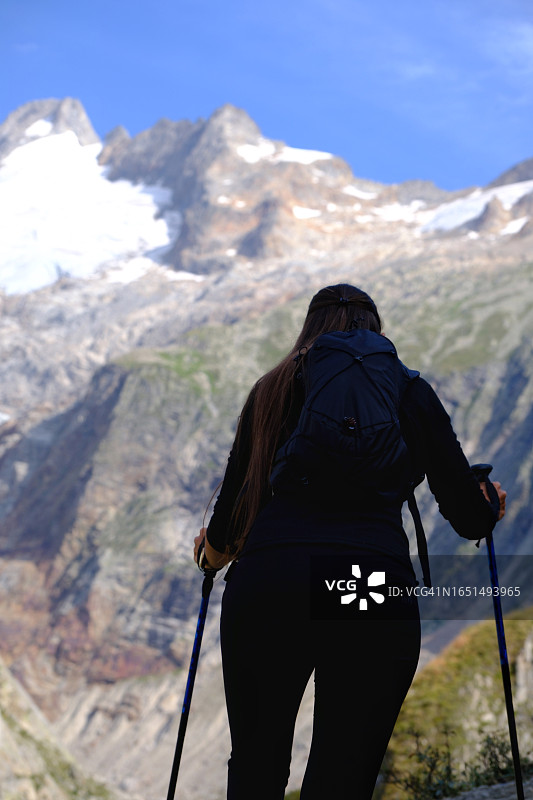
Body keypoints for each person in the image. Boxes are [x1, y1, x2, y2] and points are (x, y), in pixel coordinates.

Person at [193, 283, 506, 800]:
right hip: (369, 582)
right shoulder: (408, 390)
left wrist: (210, 553)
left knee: (256, 761)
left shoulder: (270, 390)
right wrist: (487, 501)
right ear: (376, 332)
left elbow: (229, 520)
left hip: (273, 579)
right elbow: (469, 519)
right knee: (344, 770)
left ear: (309, 332)